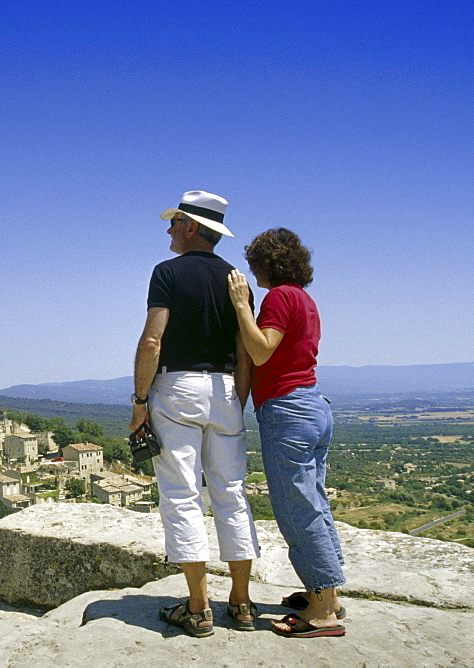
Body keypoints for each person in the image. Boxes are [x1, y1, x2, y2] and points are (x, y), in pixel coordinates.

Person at [131, 190, 260, 637]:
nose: (167, 230)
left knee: (181, 495)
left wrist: (139, 401)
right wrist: (235, 401)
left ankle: (199, 606)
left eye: (173, 223)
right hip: (226, 389)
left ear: (190, 227)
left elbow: (152, 341)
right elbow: (245, 350)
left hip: (177, 388)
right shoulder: (236, 280)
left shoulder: (166, 272)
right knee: (231, 493)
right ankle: (241, 604)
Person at [227, 227, 346, 638]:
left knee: (297, 508)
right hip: (313, 404)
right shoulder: (306, 299)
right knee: (314, 502)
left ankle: (322, 611)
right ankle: (327, 594)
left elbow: (262, 350)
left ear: (265, 263)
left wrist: (243, 306)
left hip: (288, 409)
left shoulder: (279, 296)